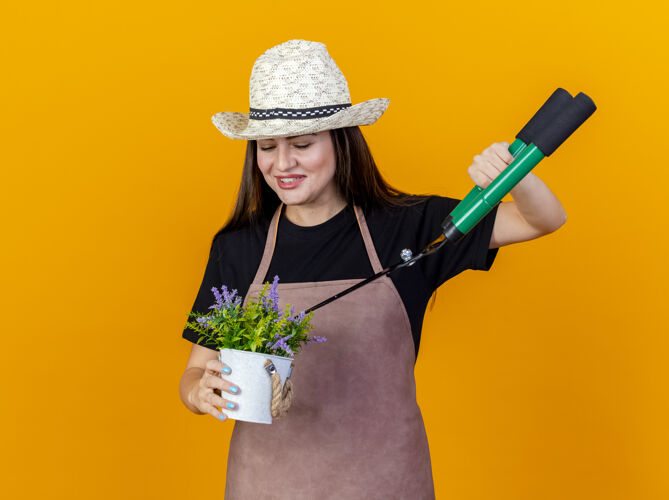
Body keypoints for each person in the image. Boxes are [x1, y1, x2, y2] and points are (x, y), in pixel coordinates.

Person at [178, 39, 567, 499]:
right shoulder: (239, 246)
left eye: (302, 144)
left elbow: (540, 220)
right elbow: (196, 371)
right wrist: (200, 395)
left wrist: (514, 174)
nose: (282, 164)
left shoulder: (408, 227)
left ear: (341, 142)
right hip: (267, 483)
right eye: (267, 147)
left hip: (386, 482)